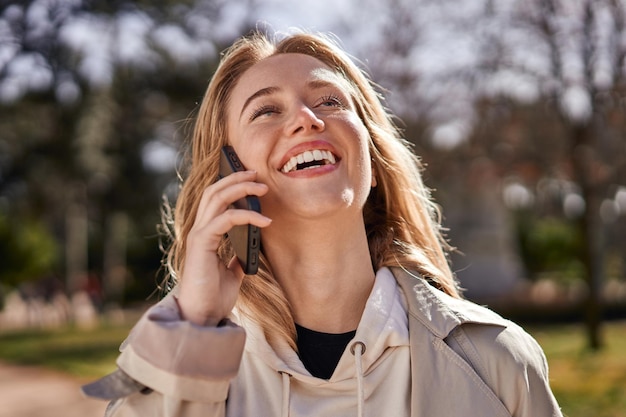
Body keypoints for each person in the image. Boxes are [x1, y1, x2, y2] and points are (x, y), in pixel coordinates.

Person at [83, 30, 563, 417]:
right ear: (228, 175)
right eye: (267, 110)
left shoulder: (496, 360)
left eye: (330, 101)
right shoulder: (191, 363)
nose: (307, 120)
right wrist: (195, 321)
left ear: (371, 157)